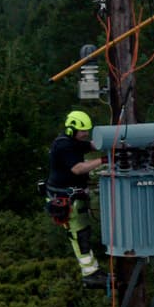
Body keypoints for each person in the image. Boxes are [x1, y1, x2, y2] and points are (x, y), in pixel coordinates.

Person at [47, 110, 105, 284]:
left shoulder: (73, 142)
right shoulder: (64, 146)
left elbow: (91, 145)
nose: (85, 134)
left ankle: (93, 271)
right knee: (80, 234)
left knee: (83, 233)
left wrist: (112, 142)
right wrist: (104, 160)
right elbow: (78, 168)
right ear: (71, 130)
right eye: (83, 131)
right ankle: (90, 274)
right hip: (66, 200)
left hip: (73, 197)